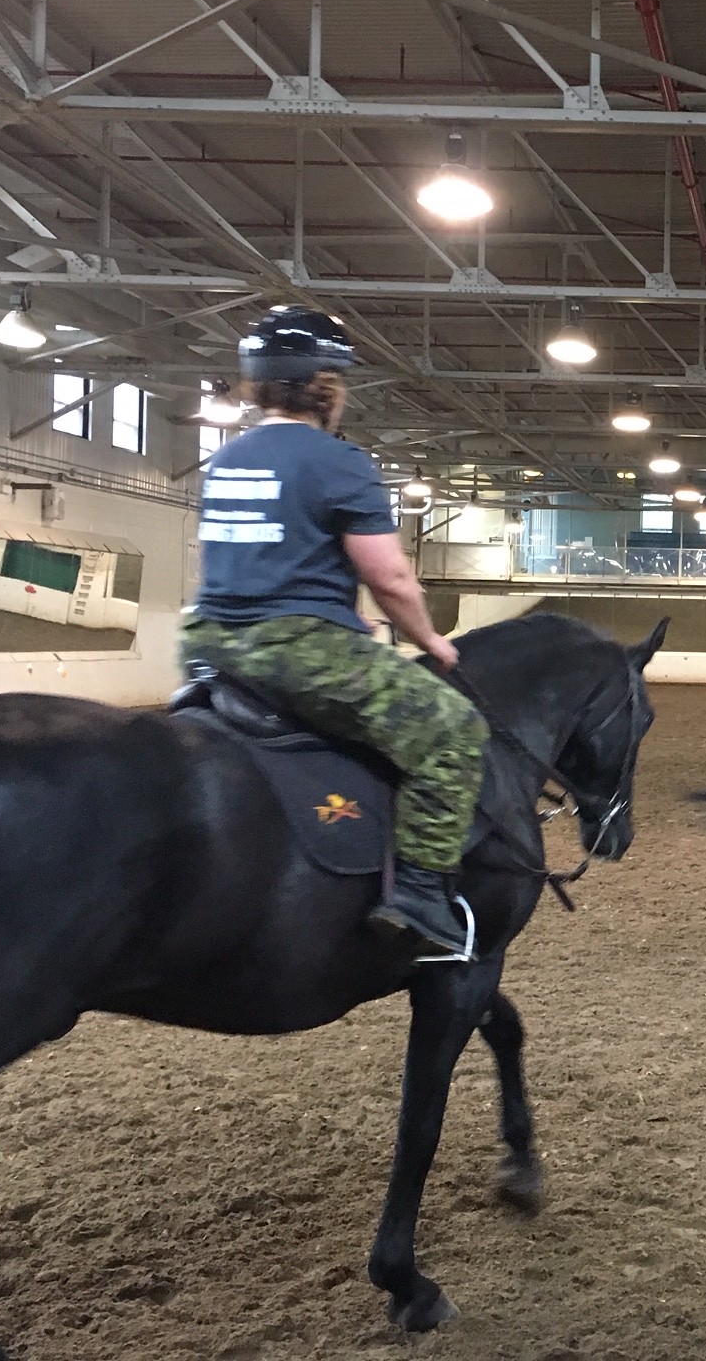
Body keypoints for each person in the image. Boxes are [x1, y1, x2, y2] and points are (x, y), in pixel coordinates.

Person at [180, 306, 485, 957]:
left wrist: (344, 615)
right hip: (296, 654)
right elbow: (392, 579)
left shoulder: (225, 460)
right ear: (328, 386)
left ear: (260, 385)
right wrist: (432, 642)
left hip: (208, 645)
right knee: (454, 732)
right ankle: (422, 894)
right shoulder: (337, 461)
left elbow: (257, 564)